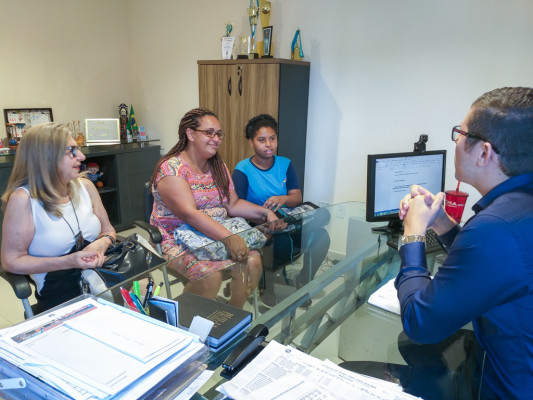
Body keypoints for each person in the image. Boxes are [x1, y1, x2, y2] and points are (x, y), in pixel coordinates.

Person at [396, 87, 533, 399]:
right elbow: (494, 268)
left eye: (460, 133)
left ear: (484, 153)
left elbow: (420, 324)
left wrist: (413, 233)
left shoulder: (496, 227)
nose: (456, 141)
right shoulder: (516, 210)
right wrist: (442, 222)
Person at [149, 108, 278, 308]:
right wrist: (230, 238)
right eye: (209, 133)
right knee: (210, 276)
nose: (216, 139)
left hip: (215, 235)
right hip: (177, 240)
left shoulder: (217, 166)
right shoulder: (171, 169)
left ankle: (231, 316)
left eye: (219, 134)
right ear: (190, 134)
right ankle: (184, 320)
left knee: (253, 263)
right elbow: (191, 215)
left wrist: (266, 212)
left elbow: (233, 204)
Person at [1, 123, 116, 313]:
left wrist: (101, 243)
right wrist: (69, 261)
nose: (82, 156)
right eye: (72, 150)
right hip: (61, 294)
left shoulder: (86, 186)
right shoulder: (24, 200)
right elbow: (11, 261)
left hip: (103, 279)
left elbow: (108, 230)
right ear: (46, 157)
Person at [232, 114, 330, 306]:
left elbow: (296, 197)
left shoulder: (285, 164)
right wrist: (264, 215)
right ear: (251, 142)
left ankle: (303, 280)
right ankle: (266, 284)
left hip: (286, 218)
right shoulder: (243, 169)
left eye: (272, 138)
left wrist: (282, 199)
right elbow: (236, 206)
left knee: (322, 236)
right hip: (258, 222)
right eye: (262, 140)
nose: (268, 144)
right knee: (277, 238)